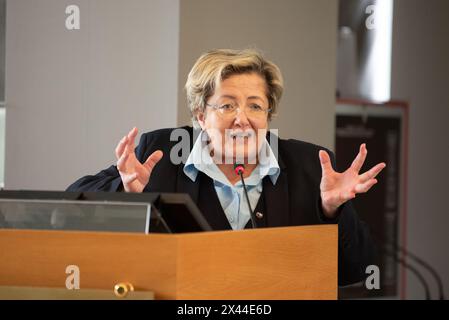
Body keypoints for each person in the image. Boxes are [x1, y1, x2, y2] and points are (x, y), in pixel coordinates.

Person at [67, 48, 386, 286]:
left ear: (268, 116)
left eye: (255, 106)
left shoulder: (311, 166)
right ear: (200, 115)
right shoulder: (160, 152)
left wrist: (333, 211)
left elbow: (361, 272)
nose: (242, 118)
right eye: (227, 104)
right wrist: (124, 192)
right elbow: (72, 203)